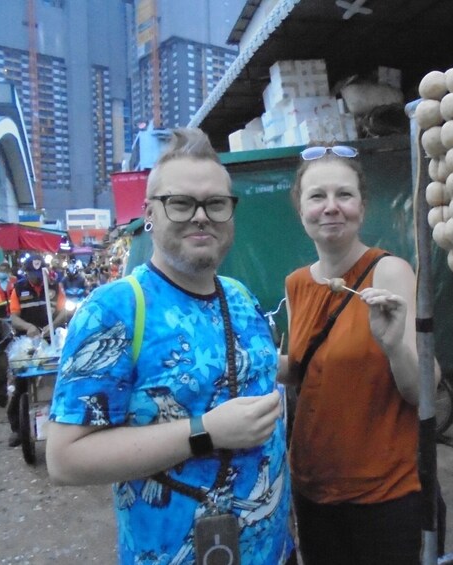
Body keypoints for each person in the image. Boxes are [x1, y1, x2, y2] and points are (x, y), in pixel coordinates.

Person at [46, 128, 294, 565]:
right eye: (181, 203)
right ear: (149, 214)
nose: (202, 216)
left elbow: (257, 370)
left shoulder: (239, 295)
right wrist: (206, 433)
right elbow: (66, 458)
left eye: (216, 203)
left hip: (274, 551)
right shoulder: (115, 310)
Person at [280, 144, 440, 564]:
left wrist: (392, 346)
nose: (331, 207)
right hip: (312, 489)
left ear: (362, 208)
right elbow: (303, 372)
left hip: (382, 495)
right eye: (317, 196)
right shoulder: (296, 284)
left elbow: (421, 392)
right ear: (301, 209)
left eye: (343, 195)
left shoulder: (389, 272)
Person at [5, 257, 68, 447]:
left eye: (39, 274)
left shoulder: (56, 287)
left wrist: (52, 325)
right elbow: (14, 318)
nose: (36, 277)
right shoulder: (18, 289)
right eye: (32, 274)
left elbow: (63, 312)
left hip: (52, 341)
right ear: (26, 273)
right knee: (21, 386)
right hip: (28, 344)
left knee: (59, 381)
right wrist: (28, 327)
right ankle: (18, 429)